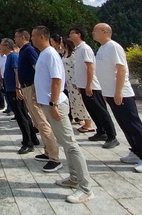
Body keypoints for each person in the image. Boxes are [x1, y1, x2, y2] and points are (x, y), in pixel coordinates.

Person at [32, 25, 94, 204]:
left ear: (42, 36)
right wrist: (39, 95)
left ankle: (85, 188)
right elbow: (45, 79)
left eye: (34, 36)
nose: (32, 39)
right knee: (66, 144)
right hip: (49, 104)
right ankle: (74, 178)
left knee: (70, 144)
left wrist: (52, 103)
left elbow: (57, 79)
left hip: (56, 105)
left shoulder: (50, 54)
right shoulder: (44, 54)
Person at [92, 23, 142, 173]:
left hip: (122, 94)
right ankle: (135, 152)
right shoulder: (102, 48)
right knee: (124, 125)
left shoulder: (113, 47)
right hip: (110, 93)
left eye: (94, 31)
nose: (92, 33)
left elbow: (121, 69)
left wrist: (118, 91)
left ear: (104, 31)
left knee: (133, 125)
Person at [14, 29, 62, 172]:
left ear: (22, 37)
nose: (14, 40)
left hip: (32, 88)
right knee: (38, 122)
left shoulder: (29, 50)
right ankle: (47, 151)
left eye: (16, 37)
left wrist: (37, 90)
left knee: (42, 121)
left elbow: (38, 71)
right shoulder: (24, 50)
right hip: (27, 88)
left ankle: (54, 157)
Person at [69, 27, 119, 148]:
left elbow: (90, 67)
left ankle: (112, 136)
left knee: (101, 111)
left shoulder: (85, 48)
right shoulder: (77, 49)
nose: (69, 35)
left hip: (92, 86)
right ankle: (101, 131)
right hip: (83, 86)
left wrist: (89, 84)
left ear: (78, 34)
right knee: (92, 111)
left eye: (71, 33)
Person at [0, 38, 39, 153]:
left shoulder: (13, 57)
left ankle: (28, 143)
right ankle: (33, 138)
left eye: (1, 45)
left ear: (7, 45)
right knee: (23, 115)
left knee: (22, 116)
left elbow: (17, 72)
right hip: (11, 90)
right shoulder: (8, 57)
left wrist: (18, 88)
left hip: (15, 91)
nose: (0, 47)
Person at [54, 36, 95, 133]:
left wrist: (76, 81)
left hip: (74, 80)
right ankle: (84, 121)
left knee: (81, 102)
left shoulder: (73, 54)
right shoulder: (65, 53)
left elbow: (76, 67)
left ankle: (89, 123)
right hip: (69, 81)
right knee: (76, 102)